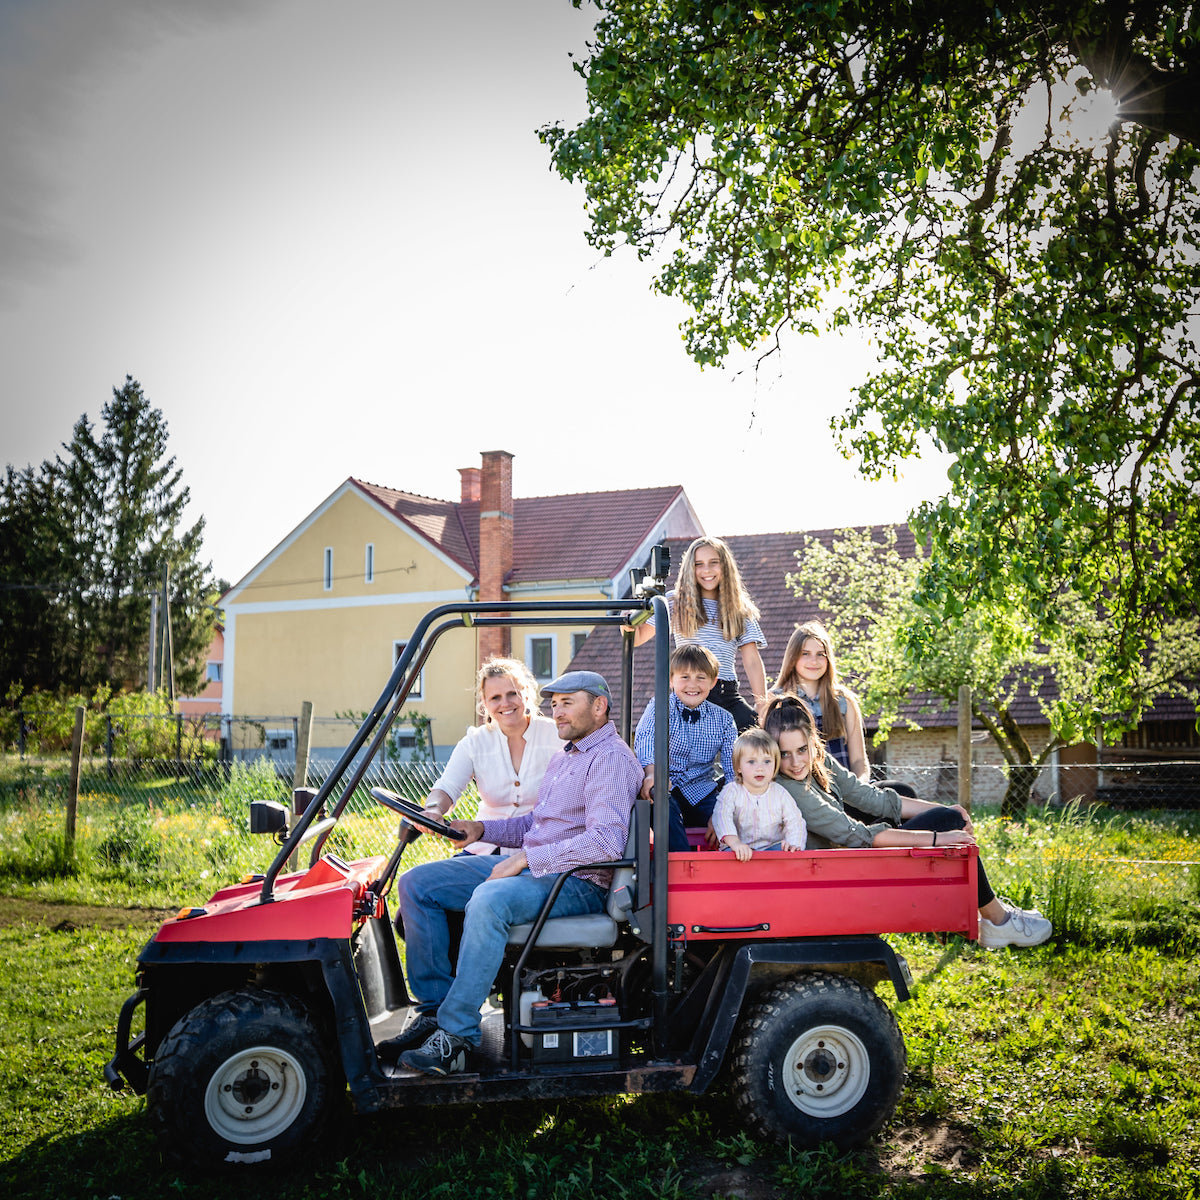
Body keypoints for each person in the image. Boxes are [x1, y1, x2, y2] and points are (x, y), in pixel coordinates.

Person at [384, 670, 642, 1075]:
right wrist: (481, 829)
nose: (557, 712)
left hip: (578, 882)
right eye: (554, 704)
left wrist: (524, 860)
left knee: (489, 900)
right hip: (542, 870)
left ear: (599, 706)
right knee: (418, 884)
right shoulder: (567, 755)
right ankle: (435, 1010)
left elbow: (605, 844)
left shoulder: (609, 759)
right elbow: (538, 825)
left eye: (567, 703)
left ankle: (456, 1035)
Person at [762, 694, 1052, 950]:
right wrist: (938, 838)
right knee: (947, 823)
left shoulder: (818, 761)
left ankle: (967, 905)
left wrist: (944, 807)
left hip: (846, 855)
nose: (795, 762)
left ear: (813, 742)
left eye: (802, 749)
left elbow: (872, 797)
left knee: (911, 798)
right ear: (773, 753)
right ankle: (997, 921)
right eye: (784, 754)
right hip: (837, 873)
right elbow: (859, 836)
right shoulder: (790, 789)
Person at [420, 656, 559, 856]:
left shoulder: (556, 735)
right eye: (495, 698)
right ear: (485, 703)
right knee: (425, 875)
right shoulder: (474, 742)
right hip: (483, 848)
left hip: (540, 851)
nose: (505, 703)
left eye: (512, 694)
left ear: (527, 693)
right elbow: (447, 787)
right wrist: (433, 809)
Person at [627, 536, 766, 731]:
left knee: (758, 734)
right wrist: (628, 623)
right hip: (688, 691)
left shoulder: (738, 608)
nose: (706, 570)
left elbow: (751, 660)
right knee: (668, 731)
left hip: (725, 693)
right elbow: (638, 637)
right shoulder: (675, 601)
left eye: (713, 563)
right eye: (699, 564)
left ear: (725, 566)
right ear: (689, 569)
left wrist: (761, 703)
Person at [633, 645, 737, 851]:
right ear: (671, 680)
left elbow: (733, 766)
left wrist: (724, 813)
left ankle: (722, 865)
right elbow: (645, 739)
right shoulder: (659, 707)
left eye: (701, 678)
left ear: (713, 682)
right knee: (661, 805)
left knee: (732, 819)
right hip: (665, 787)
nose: (693, 684)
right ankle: (682, 862)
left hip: (701, 790)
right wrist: (652, 773)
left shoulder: (724, 719)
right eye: (685, 677)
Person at [772, 622, 870, 779]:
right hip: (796, 789)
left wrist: (860, 786)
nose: (814, 661)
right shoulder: (774, 700)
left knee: (899, 790)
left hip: (843, 788)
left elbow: (859, 761)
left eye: (820, 654)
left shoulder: (844, 701)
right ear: (792, 657)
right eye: (805, 654)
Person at [712, 728, 806, 859]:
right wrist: (735, 843)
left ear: (775, 764)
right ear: (739, 767)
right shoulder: (731, 791)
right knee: (728, 855)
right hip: (739, 849)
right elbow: (722, 817)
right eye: (751, 762)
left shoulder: (780, 793)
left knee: (787, 850)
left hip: (771, 850)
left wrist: (793, 843)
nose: (760, 768)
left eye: (767, 761)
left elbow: (795, 821)